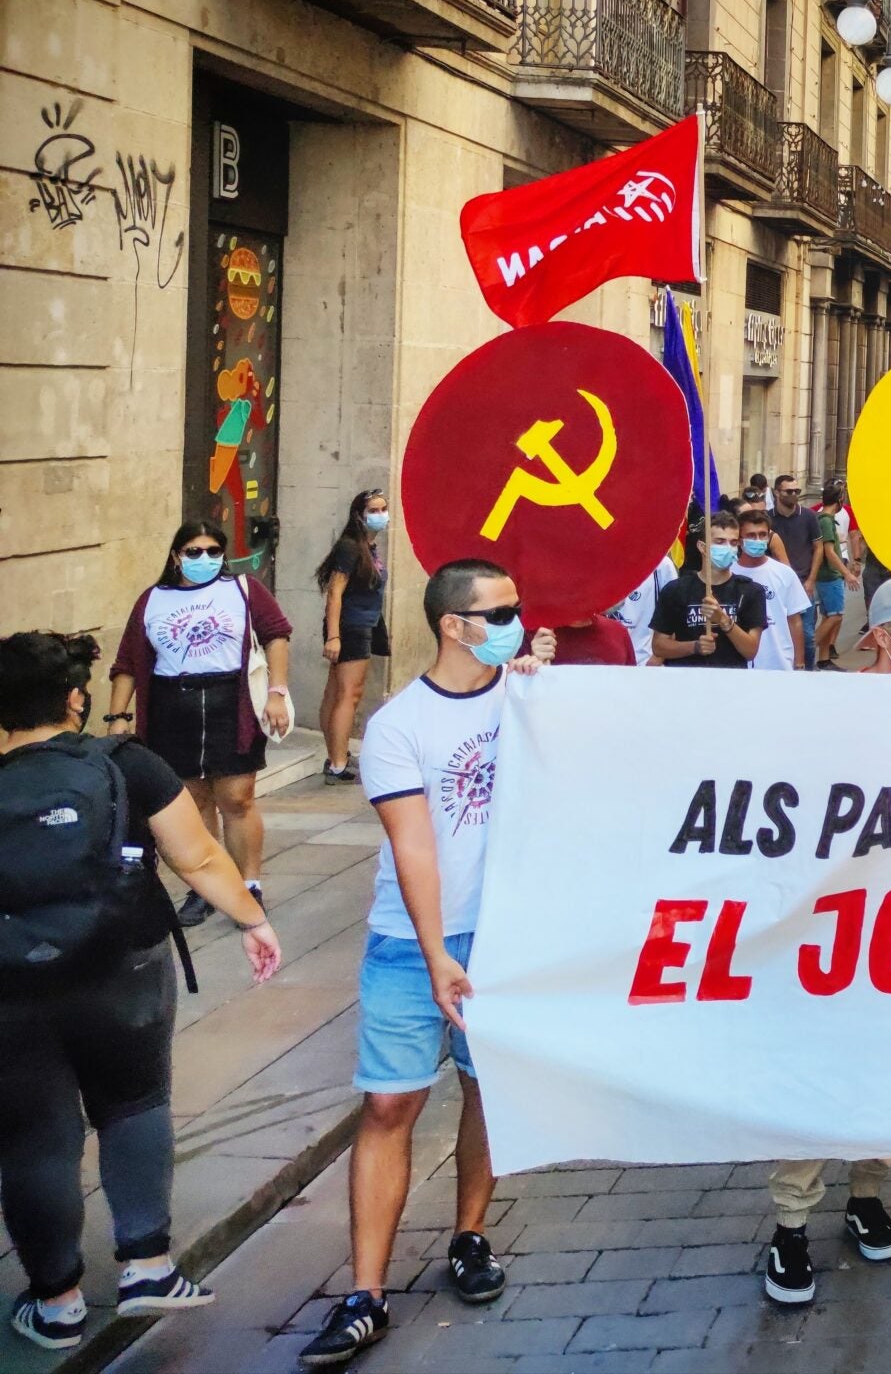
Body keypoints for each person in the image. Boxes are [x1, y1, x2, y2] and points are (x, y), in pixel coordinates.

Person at [296, 561, 553, 1368]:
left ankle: (469, 1236)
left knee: (488, 1087)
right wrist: (439, 952)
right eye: (500, 610)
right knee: (388, 1106)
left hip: (509, 937)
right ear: (455, 624)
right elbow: (415, 848)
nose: (516, 618)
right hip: (414, 944)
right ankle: (365, 1291)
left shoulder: (529, 700)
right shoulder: (401, 725)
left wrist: (550, 688)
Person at [0, 632, 281, 1351]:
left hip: (12, 989)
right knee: (134, 1105)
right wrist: (252, 919)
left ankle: (56, 1302)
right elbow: (198, 856)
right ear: (75, 698)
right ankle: (148, 1266)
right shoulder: (128, 765)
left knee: (35, 1138)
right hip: (124, 969)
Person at [756, 579, 891, 1307]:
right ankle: (792, 1223)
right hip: (828, 928)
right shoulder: (827, 710)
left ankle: (867, 1192)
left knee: (886, 1069)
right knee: (813, 1071)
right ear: (881, 639)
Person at [107, 522, 292, 929]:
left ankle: (249, 884)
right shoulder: (152, 600)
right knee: (192, 801)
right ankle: (207, 887)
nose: (204, 559)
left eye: (213, 550)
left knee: (237, 797)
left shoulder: (244, 590)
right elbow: (126, 663)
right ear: (176, 555)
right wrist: (117, 717)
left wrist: (277, 691)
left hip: (231, 701)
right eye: (193, 551)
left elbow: (277, 634)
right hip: (173, 704)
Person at [315, 490, 390, 785]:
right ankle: (337, 762)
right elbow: (335, 592)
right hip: (351, 627)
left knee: (336, 692)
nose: (381, 514)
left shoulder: (367, 548)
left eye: (384, 508)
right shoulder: (349, 548)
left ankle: (336, 752)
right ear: (359, 514)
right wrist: (334, 636)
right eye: (374, 509)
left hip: (364, 624)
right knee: (349, 693)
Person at [649, 514, 766, 670]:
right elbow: (659, 646)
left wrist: (723, 620)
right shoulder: (676, 590)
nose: (728, 548)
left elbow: (750, 651)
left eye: (733, 542)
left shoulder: (751, 591)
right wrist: (695, 647)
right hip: (686, 681)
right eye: (720, 542)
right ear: (702, 547)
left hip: (732, 682)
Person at [733, 509, 812, 673]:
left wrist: (799, 663)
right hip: (739, 665)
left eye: (762, 535)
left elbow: (795, 620)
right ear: (739, 540)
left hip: (778, 663)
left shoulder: (784, 573)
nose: (758, 540)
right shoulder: (729, 573)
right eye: (751, 535)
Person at [766, 476, 824, 666]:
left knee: (806, 636)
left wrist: (811, 580)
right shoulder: (768, 519)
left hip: (803, 583)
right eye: (788, 491)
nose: (793, 495)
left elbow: (818, 547)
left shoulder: (808, 516)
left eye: (796, 491)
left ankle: (807, 670)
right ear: (776, 492)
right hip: (776, 585)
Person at [606, 553, 679, 665]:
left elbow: (674, 616)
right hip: (604, 662)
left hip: (645, 662)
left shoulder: (662, 564)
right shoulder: (602, 560)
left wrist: (657, 659)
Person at [810, 482, 854, 669]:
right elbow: (829, 551)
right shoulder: (826, 521)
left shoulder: (823, 519)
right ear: (839, 500)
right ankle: (808, 647)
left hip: (828, 576)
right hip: (830, 576)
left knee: (829, 615)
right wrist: (847, 573)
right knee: (835, 615)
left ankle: (824, 659)